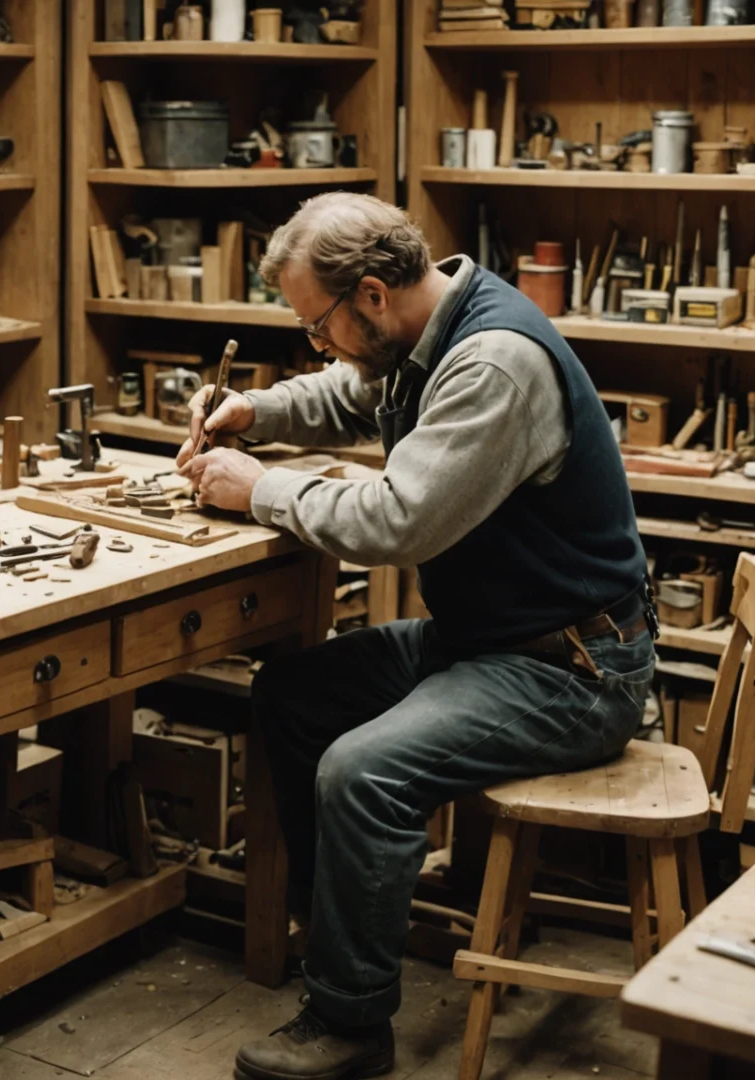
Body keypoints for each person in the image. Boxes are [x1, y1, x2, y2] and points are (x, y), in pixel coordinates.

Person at [177, 192, 656, 1080]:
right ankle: (340, 938)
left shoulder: (493, 364)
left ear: (368, 295)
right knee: (293, 695)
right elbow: (353, 393)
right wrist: (259, 414)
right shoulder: (421, 334)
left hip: (571, 669)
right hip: (494, 641)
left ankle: (351, 1022)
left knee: (364, 769)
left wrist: (259, 489)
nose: (316, 346)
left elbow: (401, 521)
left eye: (317, 325)